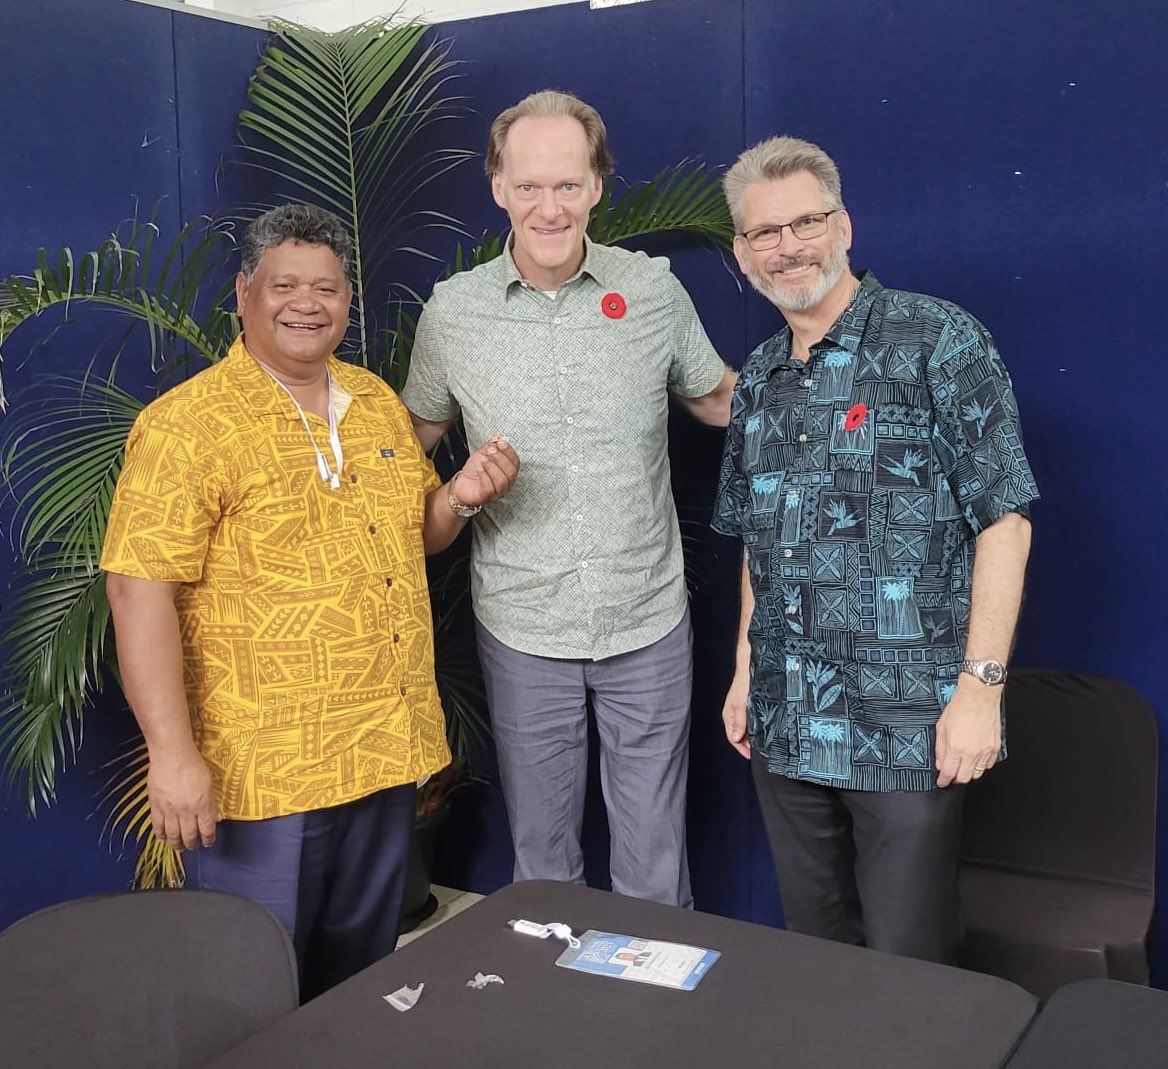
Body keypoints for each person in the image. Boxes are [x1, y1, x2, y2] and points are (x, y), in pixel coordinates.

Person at [100, 203, 519, 999]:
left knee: (357, 985)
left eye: (326, 287)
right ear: (243, 294)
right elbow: (136, 588)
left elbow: (414, 535)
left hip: (379, 753)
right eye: (284, 284)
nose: (307, 302)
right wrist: (174, 755)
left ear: (347, 301)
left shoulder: (374, 403)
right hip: (260, 774)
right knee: (251, 988)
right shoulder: (187, 426)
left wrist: (460, 498)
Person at [402, 90, 736, 908]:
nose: (547, 206)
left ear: (596, 185)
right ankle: (556, 1023)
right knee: (544, 860)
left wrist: (823, 371)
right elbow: (404, 450)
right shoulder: (455, 312)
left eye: (566, 185)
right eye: (528, 186)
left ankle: (656, 1025)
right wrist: (454, 492)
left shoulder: (652, 292)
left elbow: (720, 399)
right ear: (497, 187)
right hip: (522, 626)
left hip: (646, 616)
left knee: (655, 861)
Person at [713, 136, 1038, 963]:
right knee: (817, 961)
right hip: (786, 723)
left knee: (909, 967)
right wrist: (747, 673)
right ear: (742, 253)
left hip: (909, 723)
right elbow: (759, 540)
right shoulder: (755, 378)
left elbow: (1006, 521)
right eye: (763, 233)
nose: (787, 247)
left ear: (845, 225)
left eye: (806, 222)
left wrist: (981, 691)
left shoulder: (937, 339)